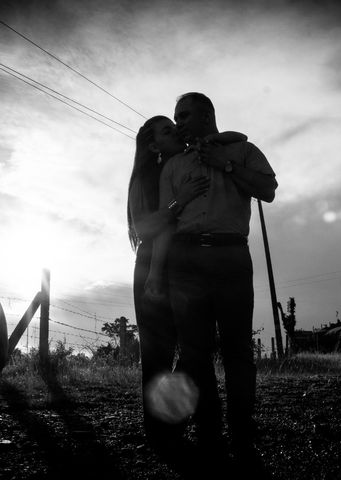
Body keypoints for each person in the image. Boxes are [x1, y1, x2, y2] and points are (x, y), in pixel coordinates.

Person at [146, 92, 277, 475]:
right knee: (193, 352)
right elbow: (166, 224)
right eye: (175, 117)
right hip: (186, 262)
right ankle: (205, 430)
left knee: (238, 350)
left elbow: (268, 190)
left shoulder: (244, 149)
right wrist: (156, 272)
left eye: (184, 116)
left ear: (207, 115)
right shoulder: (173, 165)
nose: (179, 123)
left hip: (231, 256)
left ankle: (241, 429)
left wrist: (227, 166)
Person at [126, 115, 247, 460]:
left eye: (175, 126)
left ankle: (207, 425)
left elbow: (237, 135)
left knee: (197, 348)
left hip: (183, 266)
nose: (176, 131)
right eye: (167, 130)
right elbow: (146, 227)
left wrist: (211, 140)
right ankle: (159, 433)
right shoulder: (144, 178)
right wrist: (180, 201)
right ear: (152, 146)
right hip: (151, 267)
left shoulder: (187, 161)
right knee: (157, 355)